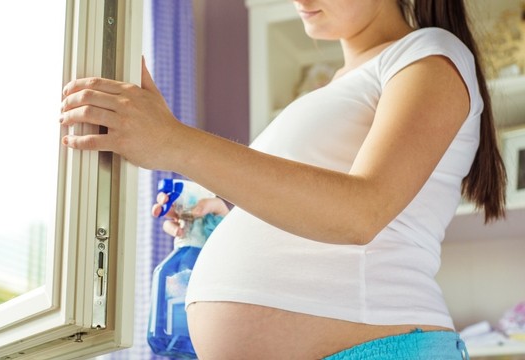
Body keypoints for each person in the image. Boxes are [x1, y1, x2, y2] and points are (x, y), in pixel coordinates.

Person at [59, 0, 507, 358]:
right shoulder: (336, 86)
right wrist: (227, 217)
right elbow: (313, 209)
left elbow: (362, 211)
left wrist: (173, 142)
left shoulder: (429, 52)